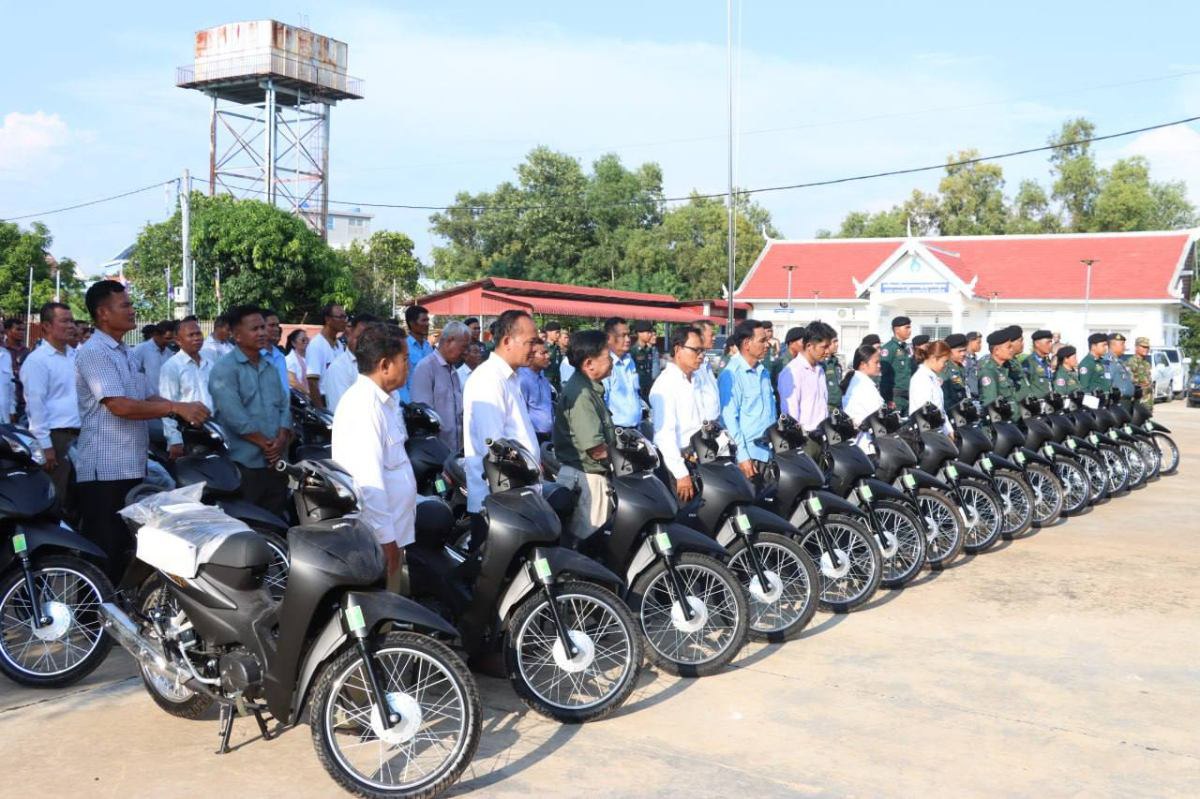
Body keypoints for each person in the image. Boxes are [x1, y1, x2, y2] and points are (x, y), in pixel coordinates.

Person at [75, 281, 209, 577]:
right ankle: (95, 606)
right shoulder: (95, 352)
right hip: (105, 470)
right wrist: (175, 407)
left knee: (128, 548)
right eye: (125, 305)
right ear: (103, 313)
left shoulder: (126, 352)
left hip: (131, 465)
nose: (133, 310)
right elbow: (120, 406)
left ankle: (123, 603)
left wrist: (185, 410)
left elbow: (148, 396)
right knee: (105, 550)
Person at [332, 324, 414, 588]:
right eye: (405, 359)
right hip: (378, 540)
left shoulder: (387, 400)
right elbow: (368, 483)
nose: (409, 366)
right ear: (385, 365)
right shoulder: (363, 406)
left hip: (394, 534)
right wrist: (386, 541)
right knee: (381, 604)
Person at [463, 310, 539, 548]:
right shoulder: (488, 379)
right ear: (507, 341)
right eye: (530, 342)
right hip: (499, 502)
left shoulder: (510, 377)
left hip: (516, 496)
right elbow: (495, 449)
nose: (535, 349)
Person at [208, 305, 292, 517]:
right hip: (244, 464)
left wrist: (281, 439)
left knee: (276, 520)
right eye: (255, 329)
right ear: (237, 335)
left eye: (263, 327)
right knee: (250, 521)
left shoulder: (270, 367)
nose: (262, 333)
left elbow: (284, 405)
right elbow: (234, 417)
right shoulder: (224, 369)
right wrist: (267, 446)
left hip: (276, 462)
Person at [553, 330, 618, 538]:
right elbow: (595, 449)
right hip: (587, 479)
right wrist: (622, 459)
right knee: (589, 541)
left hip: (590, 476)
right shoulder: (581, 394)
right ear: (589, 363)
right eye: (607, 356)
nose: (612, 360)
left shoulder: (589, 388)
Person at [20, 302, 79, 510]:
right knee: (56, 496)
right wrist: (46, 446)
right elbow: (36, 406)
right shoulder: (38, 361)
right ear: (46, 326)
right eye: (65, 321)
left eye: (72, 321)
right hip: (56, 438)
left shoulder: (74, 356)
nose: (71, 326)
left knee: (76, 497)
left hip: (79, 436)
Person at [650, 326, 705, 503]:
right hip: (680, 463)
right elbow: (664, 435)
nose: (701, 355)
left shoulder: (696, 379)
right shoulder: (666, 384)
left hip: (701, 458)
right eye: (696, 350)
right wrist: (681, 474)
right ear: (678, 349)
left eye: (702, 350)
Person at [718, 319, 777, 479]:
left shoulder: (763, 372)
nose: (767, 345)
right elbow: (729, 420)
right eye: (762, 340)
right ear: (746, 344)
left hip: (768, 452)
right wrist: (742, 456)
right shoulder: (732, 375)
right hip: (749, 457)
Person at [158, 316, 213, 460]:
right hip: (189, 434)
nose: (197, 338)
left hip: (213, 430)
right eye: (191, 335)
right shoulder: (172, 366)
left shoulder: (209, 363)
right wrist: (174, 440)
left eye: (198, 333)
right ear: (178, 341)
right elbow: (168, 405)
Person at [410, 320, 469, 453]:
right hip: (437, 452)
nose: (465, 352)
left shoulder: (453, 370)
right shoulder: (426, 367)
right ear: (449, 341)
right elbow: (424, 416)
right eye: (463, 347)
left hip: (455, 451)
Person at [778, 321, 833, 433]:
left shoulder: (820, 370)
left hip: (822, 434)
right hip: (805, 437)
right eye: (824, 347)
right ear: (809, 346)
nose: (828, 352)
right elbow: (790, 415)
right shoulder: (792, 372)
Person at [322, 313, 379, 413]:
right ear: (349, 334)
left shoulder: (379, 365)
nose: (364, 343)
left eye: (370, 340)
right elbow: (341, 412)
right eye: (359, 337)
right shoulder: (339, 368)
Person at [305, 303, 348, 407]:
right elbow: (312, 382)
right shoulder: (316, 345)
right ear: (328, 319)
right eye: (340, 317)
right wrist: (320, 411)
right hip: (325, 402)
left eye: (345, 317)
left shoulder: (339, 345)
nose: (344, 321)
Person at [841, 345, 884, 450]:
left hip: (858, 443)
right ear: (863, 365)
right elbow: (879, 414)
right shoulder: (863, 386)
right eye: (876, 362)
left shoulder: (857, 380)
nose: (879, 366)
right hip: (865, 444)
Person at [602, 317, 641, 428]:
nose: (628, 339)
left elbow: (635, 392)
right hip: (616, 430)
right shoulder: (605, 364)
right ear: (609, 338)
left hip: (635, 429)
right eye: (623, 335)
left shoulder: (629, 361)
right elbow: (602, 401)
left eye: (628, 335)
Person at [908, 340, 954, 435]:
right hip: (927, 432)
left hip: (937, 430)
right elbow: (926, 411)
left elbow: (940, 410)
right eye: (944, 361)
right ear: (934, 358)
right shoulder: (921, 378)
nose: (945, 365)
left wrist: (949, 431)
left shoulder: (932, 378)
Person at [518, 338, 554, 442]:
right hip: (531, 437)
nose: (548, 356)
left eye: (547, 352)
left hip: (548, 436)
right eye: (543, 353)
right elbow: (520, 415)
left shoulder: (543, 378)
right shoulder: (522, 380)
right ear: (530, 356)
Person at [131, 320, 176, 400]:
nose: (171, 341)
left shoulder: (169, 352)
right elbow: (132, 373)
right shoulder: (141, 349)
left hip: (166, 399)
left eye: (172, 338)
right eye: (167, 338)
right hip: (147, 400)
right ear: (156, 335)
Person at [398, 304, 433, 403]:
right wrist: (409, 404)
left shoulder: (428, 347)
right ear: (412, 323)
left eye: (428, 320)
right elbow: (401, 381)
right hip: (412, 402)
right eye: (423, 320)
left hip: (429, 401)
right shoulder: (404, 346)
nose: (427, 324)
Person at [879, 316, 915, 413]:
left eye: (910, 327)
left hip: (907, 397)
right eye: (907, 327)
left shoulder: (907, 348)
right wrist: (887, 399)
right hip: (895, 398)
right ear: (897, 329)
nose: (910, 330)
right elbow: (883, 375)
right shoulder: (889, 348)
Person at [978, 330, 1020, 408]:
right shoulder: (988, 371)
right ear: (996, 350)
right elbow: (991, 404)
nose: (1012, 350)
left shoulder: (1005, 367)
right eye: (1009, 347)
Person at [692, 319, 721, 422]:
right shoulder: (693, 365)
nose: (714, 338)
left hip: (714, 423)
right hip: (701, 425)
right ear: (700, 336)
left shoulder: (705, 362)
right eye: (711, 335)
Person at [4, 318, 29, 419]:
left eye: (23, 330)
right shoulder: (2, 352)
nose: (22, 332)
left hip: (24, 402)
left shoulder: (27, 352)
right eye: (18, 329)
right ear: (7, 331)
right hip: (6, 403)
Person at [261, 309, 290, 395]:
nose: (276, 329)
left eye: (277, 325)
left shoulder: (280, 356)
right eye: (272, 325)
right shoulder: (253, 357)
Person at [630, 320, 659, 400]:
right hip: (639, 388)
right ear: (640, 333)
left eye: (650, 332)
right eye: (648, 333)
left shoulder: (648, 349)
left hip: (649, 386)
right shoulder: (633, 351)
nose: (650, 335)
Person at [1023, 329, 1055, 399]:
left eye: (1051, 342)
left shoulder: (1047, 361)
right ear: (1037, 344)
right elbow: (1024, 387)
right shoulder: (1028, 363)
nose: (1051, 345)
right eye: (1048, 342)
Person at [942, 334, 970, 409]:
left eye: (965, 350)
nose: (963, 354)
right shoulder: (944, 370)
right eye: (959, 351)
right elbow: (945, 400)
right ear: (948, 351)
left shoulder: (961, 368)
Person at [1128, 337, 1154, 413]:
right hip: (1137, 403)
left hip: (1147, 402)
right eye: (1143, 347)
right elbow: (1129, 382)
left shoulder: (1146, 363)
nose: (1146, 349)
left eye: (1147, 347)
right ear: (1136, 347)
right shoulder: (1132, 363)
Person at [1105, 333, 1135, 398]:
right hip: (1117, 400)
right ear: (1113, 345)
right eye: (1122, 344)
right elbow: (1106, 384)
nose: (1125, 347)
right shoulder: (1108, 362)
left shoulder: (1119, 362)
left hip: (1126, 400)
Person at [284, 328, 309, 393]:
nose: (306, 342)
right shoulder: (289, 359)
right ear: (293, 343)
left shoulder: (311, 358)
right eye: (303, 340)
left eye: (307, 339)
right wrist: (308, 392)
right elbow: (292, 382)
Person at [823, 333, 843, 412]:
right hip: (827, 409)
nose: (837, 344)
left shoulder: (836, 363)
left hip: (838, 408)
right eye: (834, 341)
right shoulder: (821, 364)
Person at [964, 331, 982, 397]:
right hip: (969, 395)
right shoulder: (964, 359)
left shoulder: (974, 358)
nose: (980, 345)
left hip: (977, 394)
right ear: (970, 342)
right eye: (978, 342)